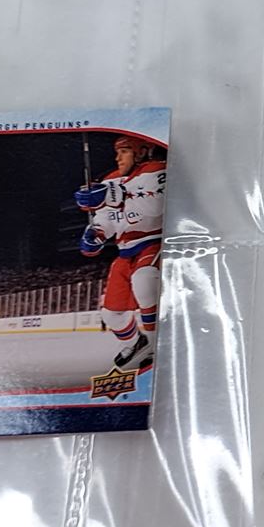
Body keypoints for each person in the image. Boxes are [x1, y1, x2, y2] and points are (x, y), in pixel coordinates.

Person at [75, 134, 168, 373]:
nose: (118, 157)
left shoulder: (157, 170)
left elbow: (155, 206)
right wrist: (96, 234)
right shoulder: (110, 180)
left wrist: (115, 195)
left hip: (153, 243)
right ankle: (136, 342)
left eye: (124, 151)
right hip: (125, 252)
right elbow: (106, 218)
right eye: (117, 152)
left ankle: (158, 344)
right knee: (112, 314)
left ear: (143, 151)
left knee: (145, 281)